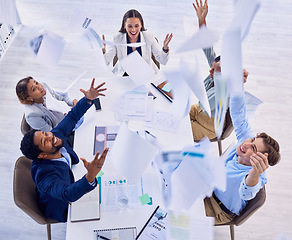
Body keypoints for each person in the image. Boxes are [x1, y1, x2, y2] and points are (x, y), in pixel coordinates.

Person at [203, 55, 281, 224]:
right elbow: (238, 113)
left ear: (257, 161)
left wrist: (254, 174)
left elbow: (247, 192)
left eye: (253, 149)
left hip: (218, 208)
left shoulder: (254, 177)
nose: (246, 145)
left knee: (173, 214)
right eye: (252, 141)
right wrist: (238, 86)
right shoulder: (246, 142)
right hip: (207, 187)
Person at [20, 78, 108, 222]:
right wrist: (89, 177)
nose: (50, 136)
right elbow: (67, 194)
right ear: (42, 154)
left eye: (45, 133)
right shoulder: (44, 177)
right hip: (64, 207)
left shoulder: (54, 135)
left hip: (72, 175)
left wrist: (88, 99)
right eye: (45, 140)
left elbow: (72, 117)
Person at [189, 0, 249, 142]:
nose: (211, 73)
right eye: (213, 69)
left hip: (210, 126)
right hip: (199, 111)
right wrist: (202, 20)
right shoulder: (216, 71)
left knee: (177, 130)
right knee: (172, 115)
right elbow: (206, 46)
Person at [102, 9, 173, 73]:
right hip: (125, 76)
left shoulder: (149, 37)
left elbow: (163, 61)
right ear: (124, 25)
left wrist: (165, 48)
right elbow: (106, 62)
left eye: (136, 26)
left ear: (141, 25)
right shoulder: (117, 38)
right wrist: (103, 51)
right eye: (130, 26)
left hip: (146, 75)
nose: (133, 30)